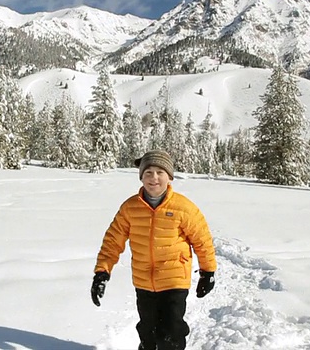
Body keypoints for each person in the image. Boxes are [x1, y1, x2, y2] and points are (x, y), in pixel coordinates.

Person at [91, 150, 217, 350]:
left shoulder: (183, 207)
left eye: (160, 172)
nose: (154, 178)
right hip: (143, 281)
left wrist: (207, 272)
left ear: (169, 176)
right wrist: (102, 272)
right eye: (148, 172)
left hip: (174, 279)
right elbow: (112, 241)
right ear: (141, 176)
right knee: (147, 330)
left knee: (172, 331)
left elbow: (202, 240)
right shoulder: (130, 208)